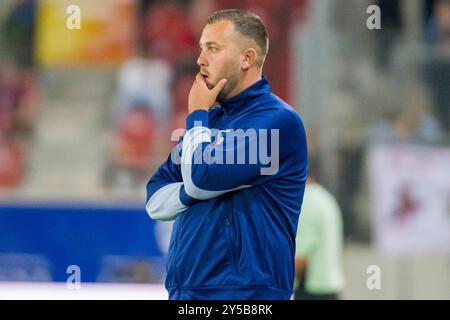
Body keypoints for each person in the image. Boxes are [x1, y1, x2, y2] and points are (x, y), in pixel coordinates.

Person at [146, 9, 308, 300]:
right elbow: (156, 198)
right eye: (201, 48)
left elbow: (199, 176)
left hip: (246, 298)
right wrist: (196, 191)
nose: (200, 59)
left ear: (246, 58)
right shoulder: (212, 122)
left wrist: (196, 114)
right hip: (187, 294)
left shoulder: (279, 121)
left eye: (213, 48)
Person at [294, 177, 345, 300]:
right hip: (330, 288)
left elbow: (300, 260)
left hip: (312, 292)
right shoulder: (324, 197)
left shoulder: (305, 202)